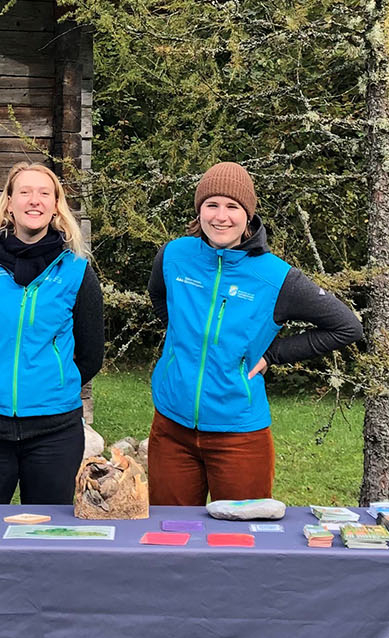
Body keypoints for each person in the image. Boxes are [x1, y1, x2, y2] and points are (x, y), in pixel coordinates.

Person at [148, 161, 361, 506]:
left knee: (239, 545)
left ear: (248, 215)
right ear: (199, 210)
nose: (221, 216)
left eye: (232, 207)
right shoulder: (174, 255)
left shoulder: (276, 276)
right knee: (171, 539)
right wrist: (179, 337)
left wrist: (272, 355)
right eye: (211, 205)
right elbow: (158, 294)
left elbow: (346, 327)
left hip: (239, 436)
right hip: (171, 428)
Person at [0, 162, 104, 506]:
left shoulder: (76, 271)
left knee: (48, 543)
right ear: (9, 203)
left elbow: (91, 354)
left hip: (55, 433)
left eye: (45, 193)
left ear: (56, 206)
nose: (35, 200)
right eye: (26, 192)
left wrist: (52, 383)